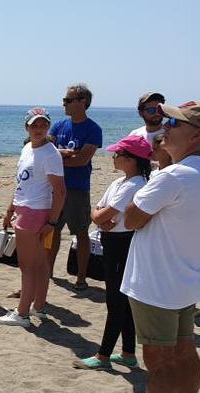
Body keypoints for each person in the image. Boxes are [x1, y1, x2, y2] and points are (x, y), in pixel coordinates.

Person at [99, 101, 200, 393]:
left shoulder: (174, 175)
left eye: (173, 122)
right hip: (186, 278)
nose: (163, 126)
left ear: (196, 133)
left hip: (156, 283)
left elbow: (132, 219)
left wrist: (163, 169)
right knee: (184, 351)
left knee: (160, 362)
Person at [73, 135, 152, 370]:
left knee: (116, 301)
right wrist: (100, 218)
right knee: (121, 300)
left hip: (123, 243)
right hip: (111, 240)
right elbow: (96, 211)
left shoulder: (135, 185)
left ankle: (103, 355)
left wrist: (101, 218)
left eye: (118, 153)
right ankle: (128, 353)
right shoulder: (119, 183)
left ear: (131, 159)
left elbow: (101, 214)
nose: (113, 156)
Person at [0, 108, 65, 327]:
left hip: (36, 212)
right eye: (34, 125)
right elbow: (22, 184)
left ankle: (22, 313)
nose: (39, 129)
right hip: (24, 209)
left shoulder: (51, 153)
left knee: (28, 265)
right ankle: (39, 307)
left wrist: (52, 222)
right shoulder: (27, 148)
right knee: (40, 264)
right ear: (27, 127)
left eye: (43, 125)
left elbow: (60, 191)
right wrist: (9, 210)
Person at [48, 84, 103, 291]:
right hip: (55, 187)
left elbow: (81, 160)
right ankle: (49, 271)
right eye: (64, 100)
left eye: (68, 100)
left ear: (83, 103)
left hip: (77, 188)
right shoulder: (59, 125)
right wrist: (65, 154)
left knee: (80, 233)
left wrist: (59, 157)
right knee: (52, 231)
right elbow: (47, 150)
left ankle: (81, 277)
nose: (64, 103)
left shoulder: (93, 129)